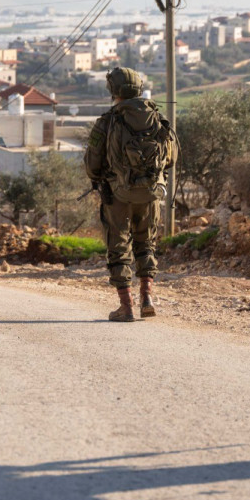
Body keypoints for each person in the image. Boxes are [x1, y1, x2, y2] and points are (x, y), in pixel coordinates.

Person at [83, 67, 177, 322]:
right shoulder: (157, 118)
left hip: (117, 195)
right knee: (146, 244)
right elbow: (171, 156)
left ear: (113, 91)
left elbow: (92, 162)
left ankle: (126, 306)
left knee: (119, 247)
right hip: (150, 193)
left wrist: (101, 180)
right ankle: (147, 297)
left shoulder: (107, 121)